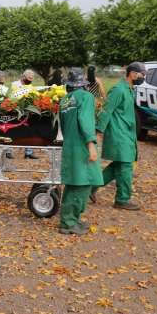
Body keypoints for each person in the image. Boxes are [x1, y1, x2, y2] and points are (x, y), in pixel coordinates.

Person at [90, 62, 146, 210]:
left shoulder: (129, 89)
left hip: (127, 134)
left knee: (118, 166)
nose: (143, 77)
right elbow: (106, 110)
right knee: (126, 165)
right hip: (119, 134)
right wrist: (99, 132)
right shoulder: (118, 90)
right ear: (133, 73)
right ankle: (122, 199)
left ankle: (90, 189)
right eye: (142, 74)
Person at [58, 68, 103, 235]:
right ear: (82, 83)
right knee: (83, 185)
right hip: (82, 146)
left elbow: (62, 125)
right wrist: (91, 144)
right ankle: (69, 223)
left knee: (73, 184)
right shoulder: (86, 97)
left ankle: (71, 220)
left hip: (70, 145)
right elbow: (86, 121)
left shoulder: (64, 100)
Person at [12, 69, 38, 159]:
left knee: (29, 130)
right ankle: (8, 152)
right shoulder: (15, 84)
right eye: (29, 78)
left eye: (32, 79)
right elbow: (13, 96)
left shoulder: (30, 86)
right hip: (16, 111)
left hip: (27, 111)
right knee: (12, 131)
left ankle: (28, 152)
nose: (30, 80)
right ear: (23, 77)